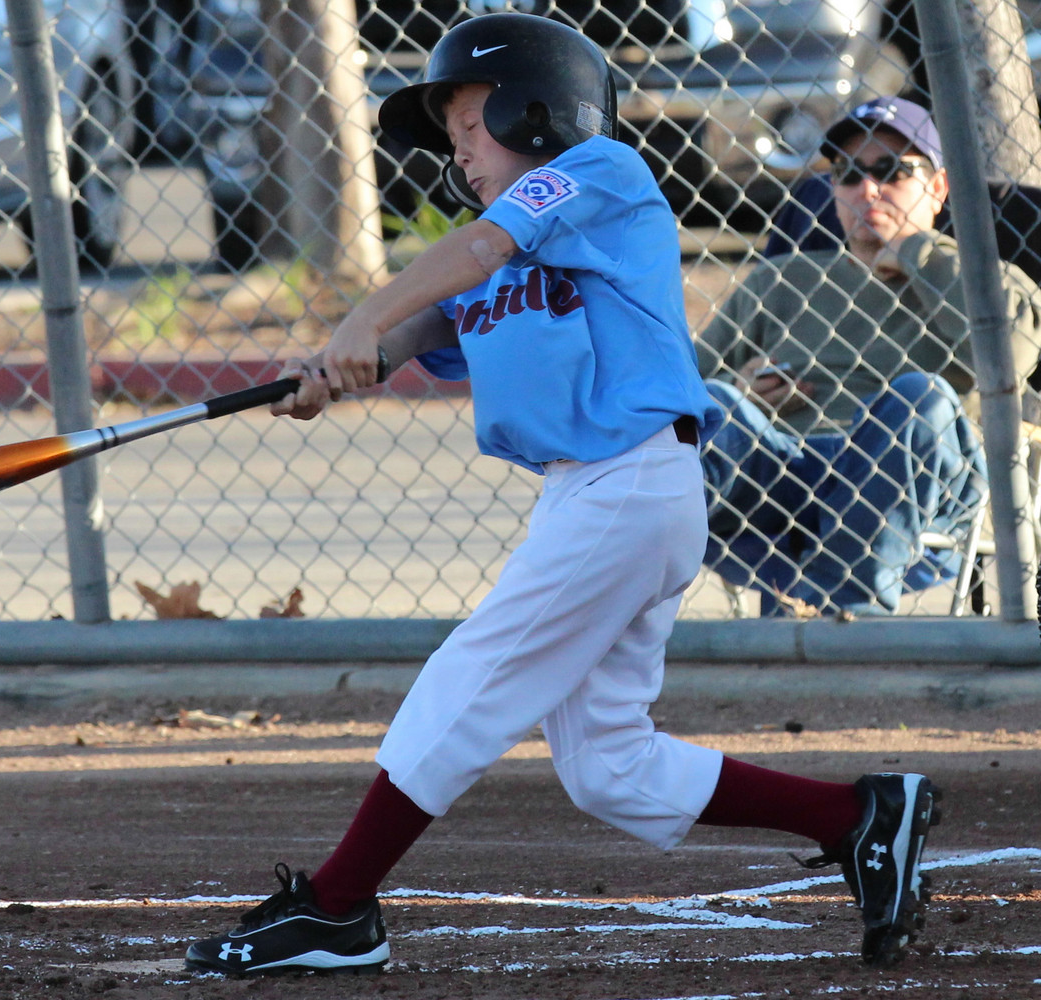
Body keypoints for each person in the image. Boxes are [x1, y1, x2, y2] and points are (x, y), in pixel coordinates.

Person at [182, 15, 940, 977]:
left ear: (535, 110)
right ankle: (859, 815)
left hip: (629, 480)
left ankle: (337, 907)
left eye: (470, 124)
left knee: (470, 679)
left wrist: (361, 315)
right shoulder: (507, 249)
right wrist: (336, 368)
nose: (459, 152)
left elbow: (473, 253)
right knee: (609, 767)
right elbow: (432, 322)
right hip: (598, 496)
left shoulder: (599, 173)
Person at [697, 96, 1041, 616]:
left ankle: (835, 615)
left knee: (920, 396)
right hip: (788, 473)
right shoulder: (783, 280)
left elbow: (1013, 354)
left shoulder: (982, 280)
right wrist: (742, 391)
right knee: (712, 404)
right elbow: (676, 391)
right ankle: (615, 608)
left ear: (938, 187)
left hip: (920, 485)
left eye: (892, 170)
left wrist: (914, 251)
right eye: (848, 173)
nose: (868, 189)